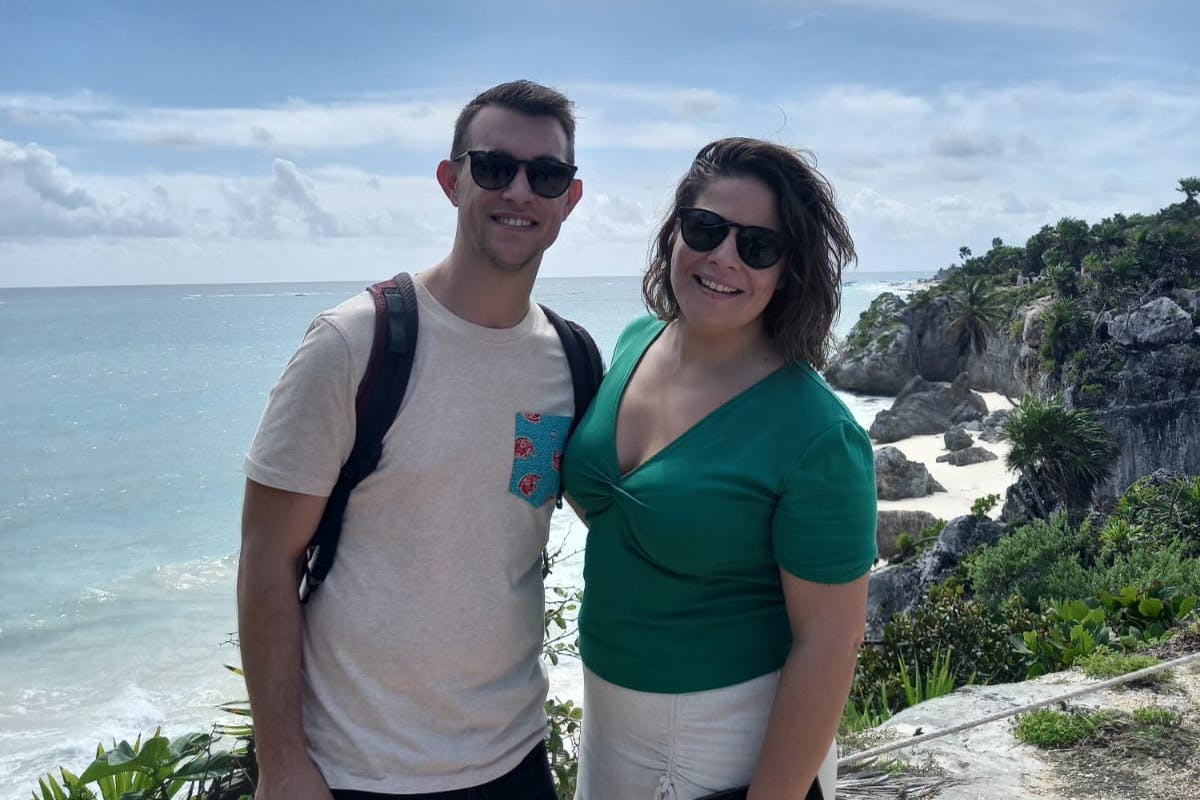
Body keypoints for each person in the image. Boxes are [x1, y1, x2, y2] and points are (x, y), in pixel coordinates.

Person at [237, 80, 585, 800]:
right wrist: (281, 764)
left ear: (568, 200)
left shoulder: (573, 362)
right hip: (357, 771)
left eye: (544, 175)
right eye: (493, 167)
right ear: (450, 180)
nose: (518, 190)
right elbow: (268, 556)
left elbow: (625, 516)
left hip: (517, 762)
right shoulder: (354, 344)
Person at [561, 138, 876, 800]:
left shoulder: (817, 432)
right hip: (610, 712)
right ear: (675, 231)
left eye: (758, 246)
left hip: (724, 734)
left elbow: (829, 642)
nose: (723, 257)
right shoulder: (634, 342)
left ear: (787, 270)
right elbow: (614, 508)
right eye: (706, 229)